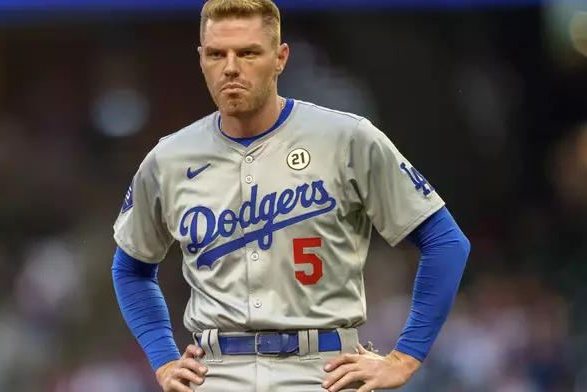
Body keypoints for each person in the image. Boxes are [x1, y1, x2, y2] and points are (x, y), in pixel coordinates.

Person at [111, 0, 471, 391]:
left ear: (280, 57)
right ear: (201, 59)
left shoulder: (346, 138)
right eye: (217, 54)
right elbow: (131, 268)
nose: (231, 67)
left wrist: (405, 357)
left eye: (248, 52)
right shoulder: (169, 158)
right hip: (216, 373)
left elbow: (446, 242)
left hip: (324, 371)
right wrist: (163, 359)